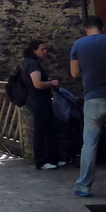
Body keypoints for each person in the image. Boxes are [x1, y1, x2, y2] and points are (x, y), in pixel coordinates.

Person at [69, 16, 106, 197]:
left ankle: (83, 186)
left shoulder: (78, 44)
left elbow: (75, 72)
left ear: (86, 29)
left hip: (92, 98)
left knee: (89, 144)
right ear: (102, 27)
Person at [21, 39, 65, 170]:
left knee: (51, 128)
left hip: (40, 100)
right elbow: (38, 84)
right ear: (34, 50)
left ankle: (54, 159)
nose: (45, 52)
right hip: (38, 100)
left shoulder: (29, 63)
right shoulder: (33, 64)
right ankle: (41, 161)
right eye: (42, 49)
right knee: (40, 130)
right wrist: (51, 83)